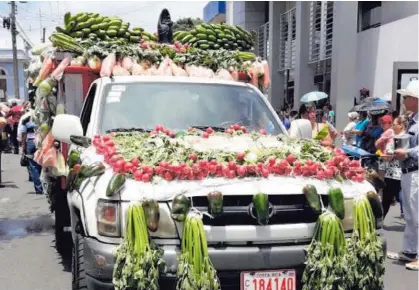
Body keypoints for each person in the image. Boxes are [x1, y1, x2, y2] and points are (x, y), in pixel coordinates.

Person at [387, 80, 418, 271]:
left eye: (406, 97)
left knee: (417, 215)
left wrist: (408, 153)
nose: (404, 100)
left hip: (416, 172)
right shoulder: (412, 120)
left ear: (415, 99)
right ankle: (409, 250)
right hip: (408, 172)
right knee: (410, 214)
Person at [376, 115, 403, 218]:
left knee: (395, 196)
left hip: (394, 172)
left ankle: (380, 219)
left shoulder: (395, 137)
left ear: (401, 125)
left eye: (394, 124)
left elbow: (390, 156)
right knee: (397, 195)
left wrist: (382, 155)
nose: (393, 126)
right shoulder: (403, 136)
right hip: (398, 172)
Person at [21, 112, 42, 194]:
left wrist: (23, 148)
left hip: (30, 143)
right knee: (41, 164)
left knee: (33, 166)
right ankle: (44, 186)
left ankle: (39, 188)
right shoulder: (42, 118)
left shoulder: (26, 121)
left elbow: (23, 135)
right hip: (41, 142)